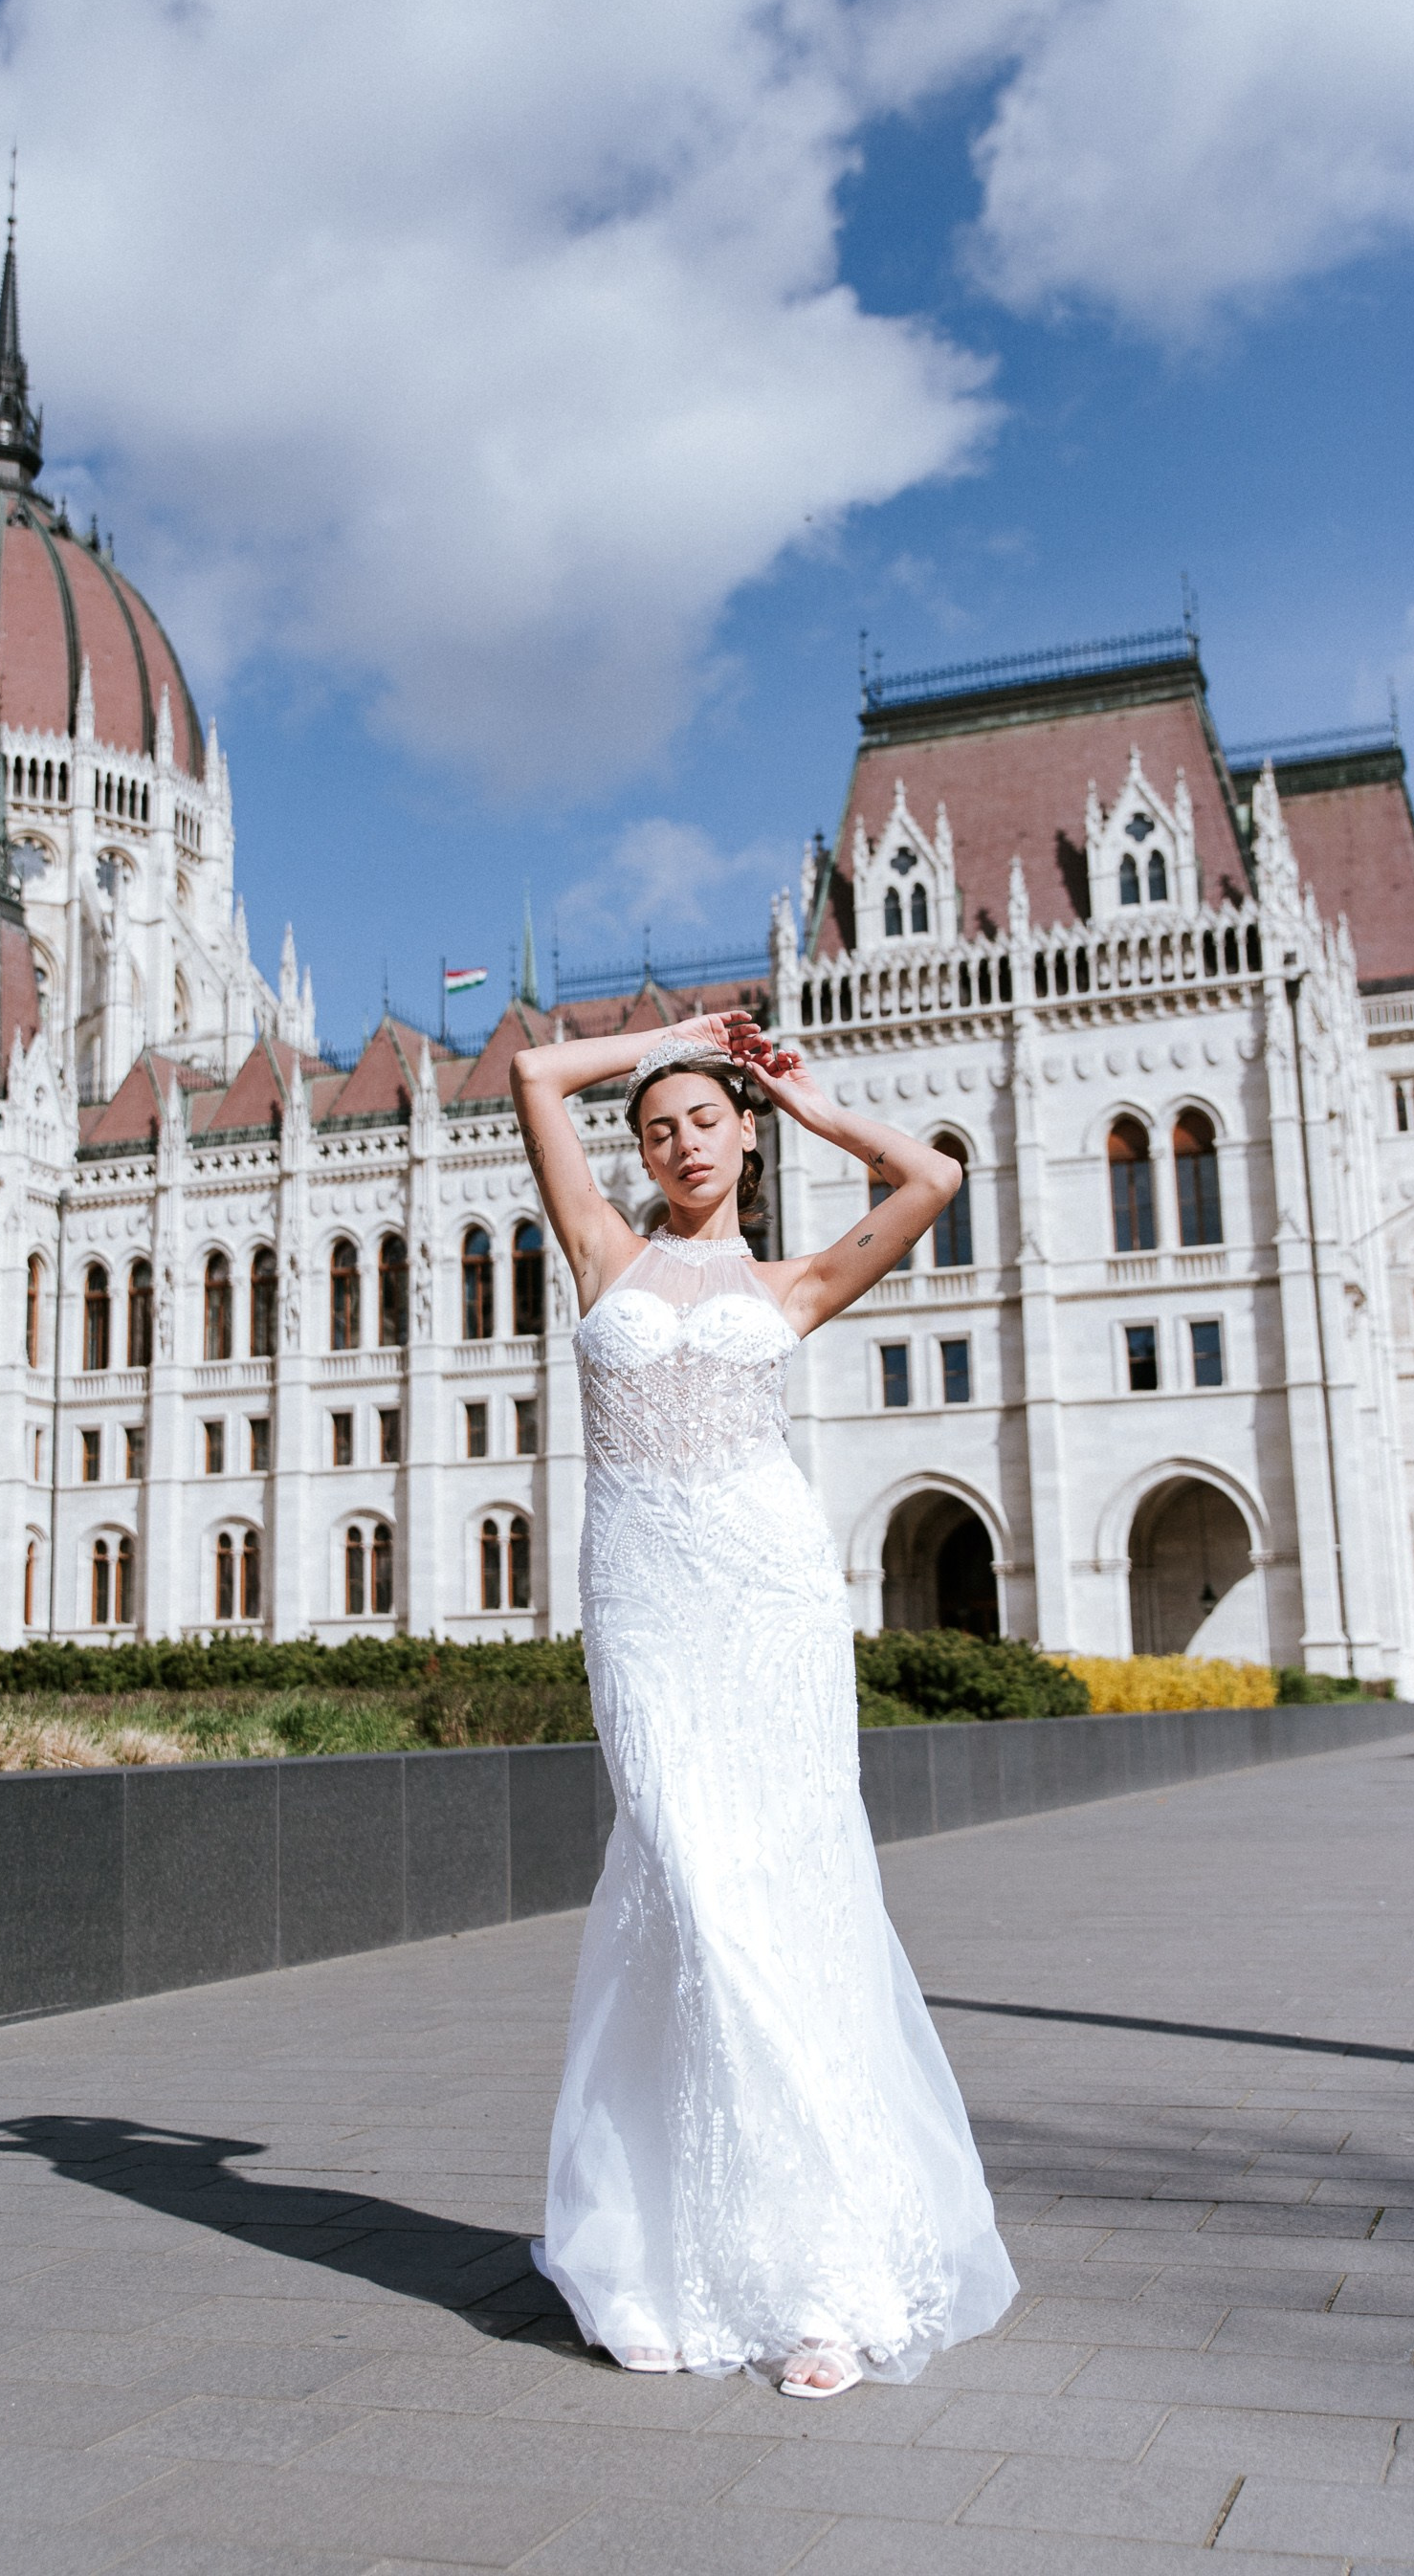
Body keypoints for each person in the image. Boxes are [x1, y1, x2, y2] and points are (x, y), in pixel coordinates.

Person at [509, 1008, 1017, 2397]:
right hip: (646, 1606)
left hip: (769, 1600)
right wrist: (678, 1036)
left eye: (703, 1121)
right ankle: (657, 2258)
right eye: (660, 1127)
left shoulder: (793, 1283)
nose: (680, 1142)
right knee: (679, 1890)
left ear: (742, 1138)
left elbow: (931, 1181)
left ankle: (819, 2289)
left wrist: (805, 1098)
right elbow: (536, 1074)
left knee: (788, 1906)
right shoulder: (602, 1253)